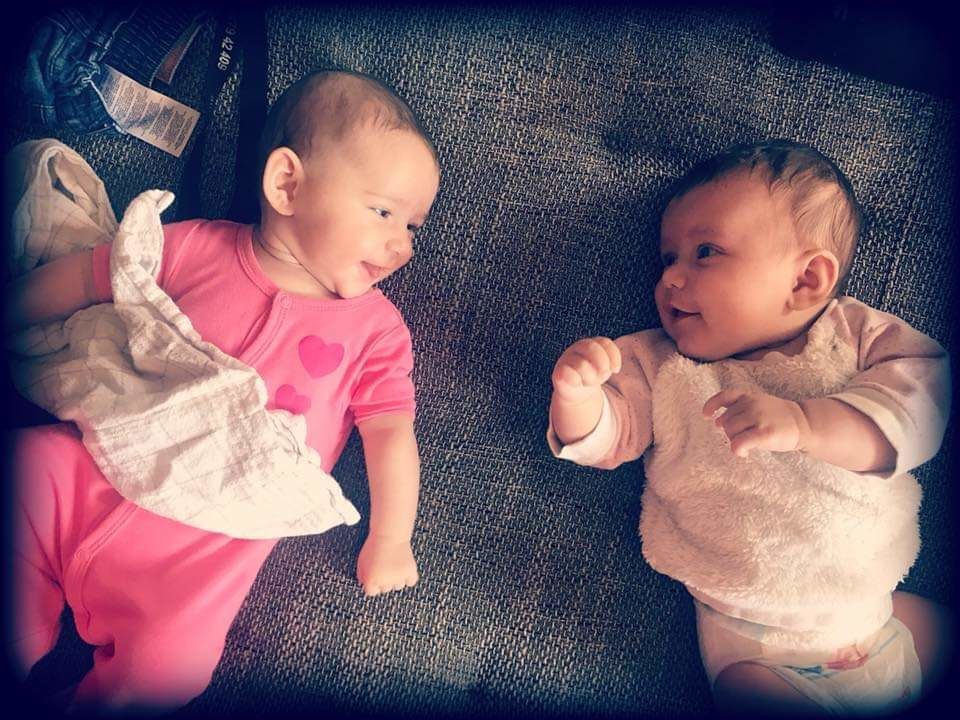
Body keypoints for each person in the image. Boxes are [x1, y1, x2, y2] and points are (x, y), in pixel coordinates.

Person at [4, 69, 440, 713]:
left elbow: (391, 433)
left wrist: (392, 538)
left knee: (171, 663)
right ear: (287, 184)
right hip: (93, 471)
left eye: (414, 227)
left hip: (202, 554)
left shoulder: (376, 331)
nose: (401, 244)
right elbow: (94, 276)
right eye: (384, 212)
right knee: (24, 468)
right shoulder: (195, 246)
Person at [547, 139, 952, 715]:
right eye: (667, 259)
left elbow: (920, 406)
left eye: (705, 252)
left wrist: (808, 425)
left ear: (807, 279)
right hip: (759, 649)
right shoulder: (662, 363)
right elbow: (609, 437)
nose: (671, 278)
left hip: (881, 614)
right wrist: (578, 395)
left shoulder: (854, 335)